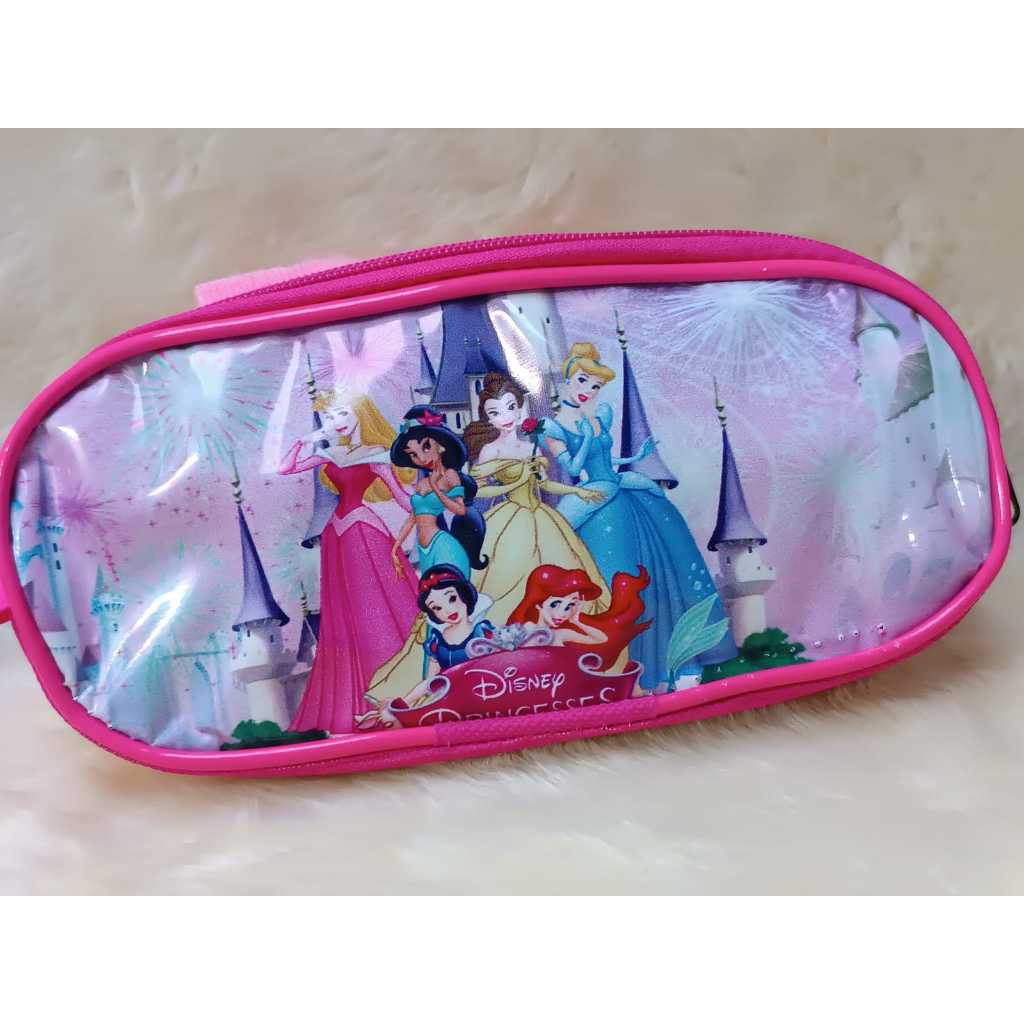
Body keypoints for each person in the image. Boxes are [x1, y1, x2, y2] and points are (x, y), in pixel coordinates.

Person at [544, 343, 737, 688]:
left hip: (618, 487)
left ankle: (672, 659)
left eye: (596, 385)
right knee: (614, 571)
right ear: (568, 378)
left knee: (661, 549)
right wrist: (585, 438)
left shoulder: (599, 415)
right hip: (594, 498)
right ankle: (620, 663)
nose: (589, 390)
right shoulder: (555, 426)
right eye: (583, 380)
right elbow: (573, 468)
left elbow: (607, 459)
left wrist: (635, 457)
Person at [277, 391, 419, 733]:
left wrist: (435, 499)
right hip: (336, 536)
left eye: (342, 413)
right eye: (329, 416)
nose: (336, 422)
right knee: (346, 613)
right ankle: (357, 698)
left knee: (377, 608)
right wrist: (308, 438)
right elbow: (285, 467)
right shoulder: (329, 453)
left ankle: (391, 686)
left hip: (363, 531)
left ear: (358, 412)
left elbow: (403, 499)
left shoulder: (375, 454)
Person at [462, 372, 610, 626]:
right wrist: (514, 483)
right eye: (495, 412)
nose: (506, 417)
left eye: (511, 407)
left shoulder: (530, 447)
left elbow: (544, 484)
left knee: (564, 565)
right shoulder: (491, 450)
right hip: (509, 519)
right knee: (508, 573)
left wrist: (577, 491)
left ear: (520, 408)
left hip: (543, 517)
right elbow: (477, 490)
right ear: (488, 418)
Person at [507, 563, 651, 671]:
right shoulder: (527, 629)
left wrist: (577, 621)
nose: (562, 614)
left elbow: (601, 639)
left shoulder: (560, 634)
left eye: (569, 606)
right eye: (555, 604)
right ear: (539, 604)